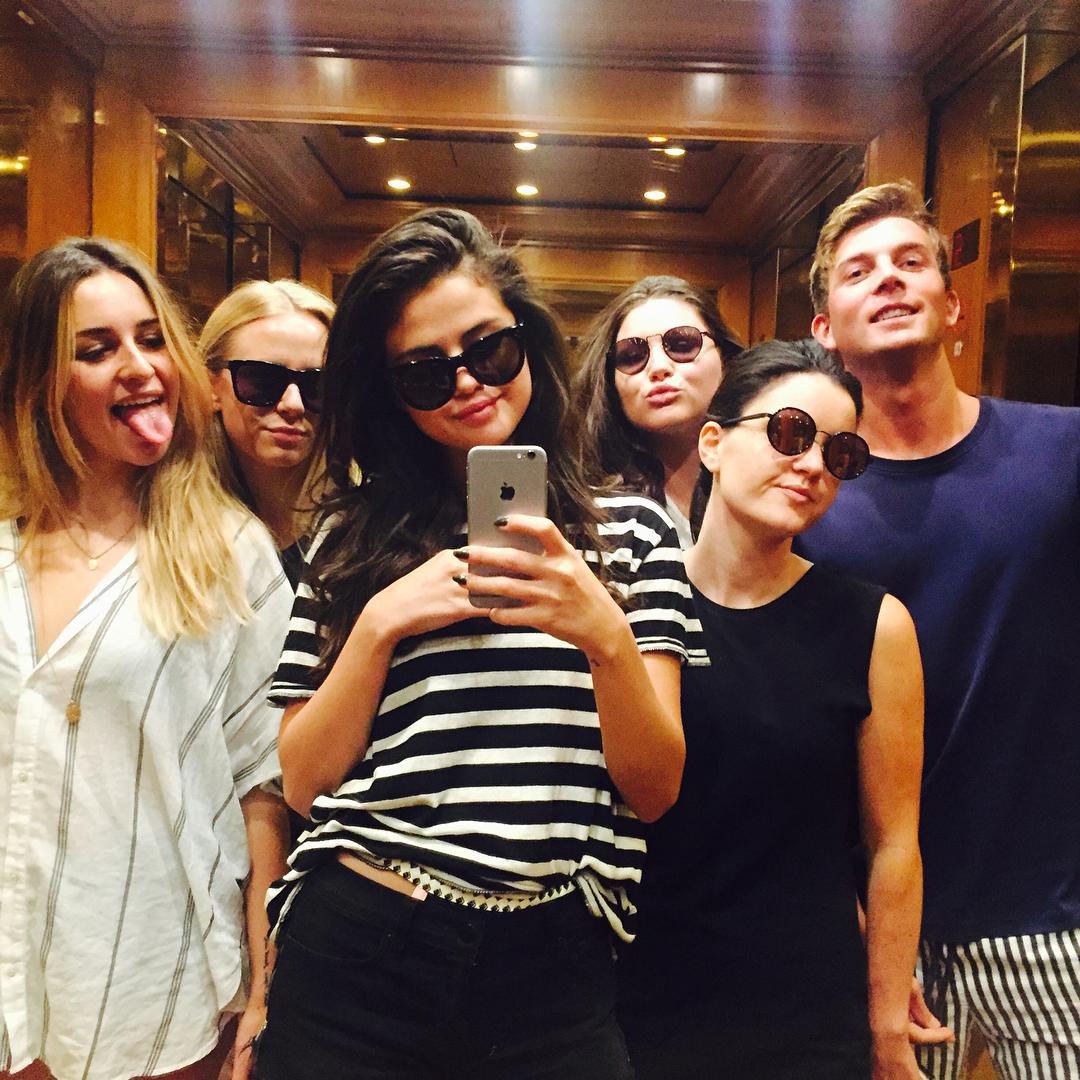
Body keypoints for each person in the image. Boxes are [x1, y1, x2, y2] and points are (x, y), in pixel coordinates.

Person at [252, 208, 694, 1080]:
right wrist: (380, 624)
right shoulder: (352, 536)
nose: (466, 383)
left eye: (489, 350)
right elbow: (304, 782)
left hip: (550, 964)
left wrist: (604, 634)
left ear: (526, 340)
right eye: (424, 373)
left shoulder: (636, 532)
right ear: (391, 395)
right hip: (361, 941)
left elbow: (654, 791)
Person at [798, 180, 1080, 1078]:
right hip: (877, 929)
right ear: (824, 330)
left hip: (1055, 917)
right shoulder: (805, 502)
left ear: (954, 307)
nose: (888, 278)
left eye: (910, 262)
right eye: (859, 271)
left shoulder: (1065, 451)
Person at [0, 239, 292, 1080]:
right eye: (97, 350)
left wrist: (263, 991)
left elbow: (262, 787)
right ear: (39, 381)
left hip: (150, 983)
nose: (139, 367)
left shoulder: (227, 551)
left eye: (152, 339)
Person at [618, 338, 928, 1080]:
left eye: (840, 453)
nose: (813, 464)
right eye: (790, 433)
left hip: (806, 1012)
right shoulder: (626, 607)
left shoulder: (873, 625)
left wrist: (887, 1021)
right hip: (632, 996)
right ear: (713, 444)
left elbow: (893, 843)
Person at [576, 275, 741, 546]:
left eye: (683, 345)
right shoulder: (588, 504)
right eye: (632, 357)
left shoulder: (771, 473)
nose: (658, 367)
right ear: (609, 380)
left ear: (724, 357)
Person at [199, 279, 334, 587]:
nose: (293, 404)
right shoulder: (167, 522)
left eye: (318, 385)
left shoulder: (363, 528)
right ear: (211, 386)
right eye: (262, 380)